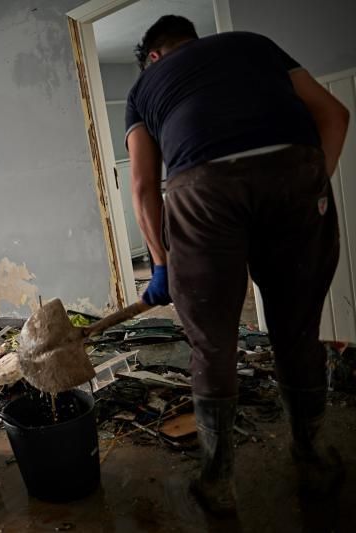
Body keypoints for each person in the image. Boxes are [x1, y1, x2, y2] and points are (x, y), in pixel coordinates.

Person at [125, 16, 349, 515]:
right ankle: (311, 459)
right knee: (297, 331)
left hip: (203, 190)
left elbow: (143, 187)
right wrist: (309, 187)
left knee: (212, 343)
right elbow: (335, 115)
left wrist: (160, 265)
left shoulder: (144, 86)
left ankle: (217, 481)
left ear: (154, 56)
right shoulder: (253, 44)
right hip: (295, 168)